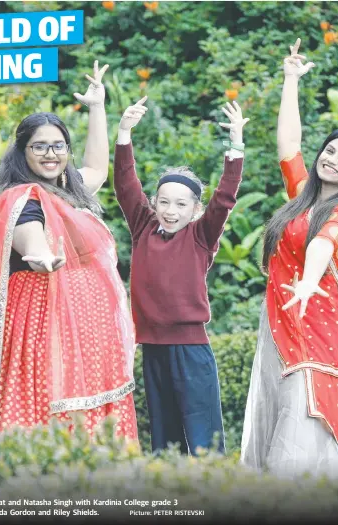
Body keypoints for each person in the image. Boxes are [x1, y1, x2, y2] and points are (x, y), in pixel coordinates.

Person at [241, 39, 338, 478]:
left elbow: (323, 244)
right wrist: (290, 80)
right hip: (284, 317)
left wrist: (308, 281)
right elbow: (288, 141)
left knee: (304, 411)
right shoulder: (301, 199)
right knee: (280, 403)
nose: (332, 159)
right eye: (331, 150)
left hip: (315, 324)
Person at [0, 62, 138, 444]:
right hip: (43, 318)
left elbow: (96, 166)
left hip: (88, 322)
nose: (50, 154)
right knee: (51, 399)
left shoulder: (70, 189)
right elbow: (30, 239)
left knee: (94, 404)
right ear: (22, 151)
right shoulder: (21, 198)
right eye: (39, 146)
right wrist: (42, 255)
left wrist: (98, 107)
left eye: (58, 146)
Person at [113, 96, 247, 455]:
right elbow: (126, 186)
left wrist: (235, 145)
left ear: (195, 209)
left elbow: (224, 198)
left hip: (191, 348)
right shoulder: (143, 227)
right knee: (165, 437)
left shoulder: (201, 236)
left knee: (203, 435)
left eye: (181, 204)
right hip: (153, 347)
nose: (171, 210)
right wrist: (124, 133)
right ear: (153, 204)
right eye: (164, 201)